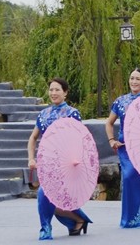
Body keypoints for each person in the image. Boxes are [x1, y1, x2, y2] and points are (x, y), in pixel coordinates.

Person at [27, 78, 93, 240]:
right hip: (47, 164)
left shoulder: (72, 113)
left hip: (66, 164)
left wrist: (76, 158)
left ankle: (46, 227)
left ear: (65, 93)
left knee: (45, 194)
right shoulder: (43, 114)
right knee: (51, 197)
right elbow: (33, 138)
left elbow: (80, 138)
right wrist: (31, 159)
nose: (53, 93)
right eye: (51, 90)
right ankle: (78, 219)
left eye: (57, 90)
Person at [105, 68, 140, 228]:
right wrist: (111, 140)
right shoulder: (120, 101)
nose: (134, 81)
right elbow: (109, 123)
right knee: (130, 177)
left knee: (135, 178)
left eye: (138, 79)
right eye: (132, 78)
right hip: (124, 147)